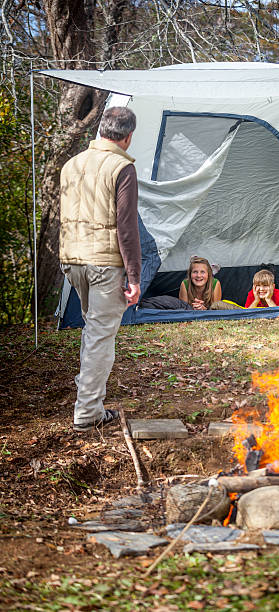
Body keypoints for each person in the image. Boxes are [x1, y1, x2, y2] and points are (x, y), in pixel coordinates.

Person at [60, 106, 141, 432]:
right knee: (100, 338)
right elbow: (126, 227)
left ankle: (88, 400)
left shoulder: (71, 164)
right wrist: (134, 277)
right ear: (128, 136)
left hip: (72, 261)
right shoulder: (121, 167)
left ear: (101, 130)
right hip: (104, 264)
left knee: (93, 334)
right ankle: (88, 413)